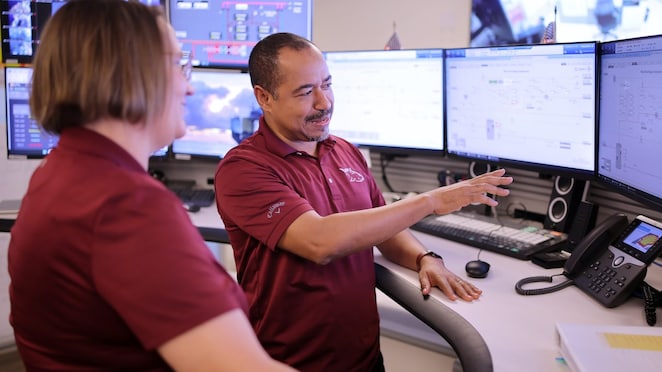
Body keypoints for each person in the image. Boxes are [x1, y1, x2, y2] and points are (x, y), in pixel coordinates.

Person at [7, 1, 295, 371]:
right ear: (131, 72)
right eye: (178, 64)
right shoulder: (125, 206)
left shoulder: (59, 173)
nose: (189, 87)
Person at [214, 32, 514, 371]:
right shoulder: (244, 168)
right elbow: (319, 241)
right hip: (290, 362)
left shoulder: (343, 150)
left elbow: (382, 227)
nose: (324, 102)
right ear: (264, 97)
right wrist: (429, 201)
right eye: (305, 92)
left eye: (326, 85)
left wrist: (424, 257)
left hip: (364, 359)